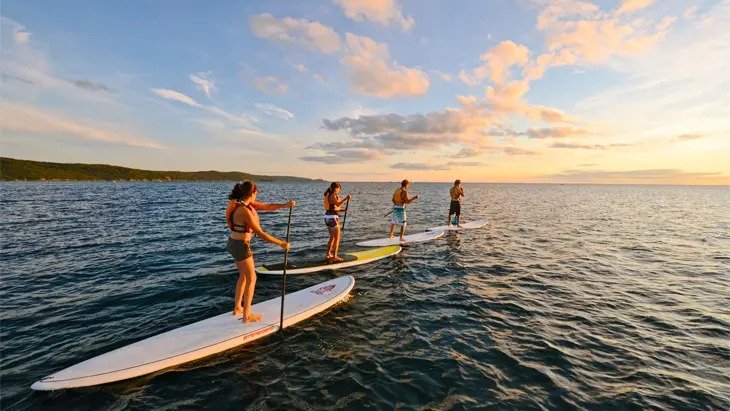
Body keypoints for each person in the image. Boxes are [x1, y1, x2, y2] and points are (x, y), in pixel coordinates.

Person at [225, 181, 295, 323]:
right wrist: (281, 243)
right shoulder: (244, 210)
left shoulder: (242, 203)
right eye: (256, 193)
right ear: (252, 193)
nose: (257, 195)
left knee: (244, 276)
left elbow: (267, 206)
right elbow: (261, 233)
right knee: (252, 278)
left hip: (233, 243)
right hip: (240, 246)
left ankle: (237, 308)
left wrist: (285, 205)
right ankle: (246, 316)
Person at [323, 182, 352, 263]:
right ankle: (335, 256)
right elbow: (338, 204)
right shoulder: (332, 195)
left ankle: (328, 254)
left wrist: (343, 210)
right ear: (335, 188)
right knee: (337, 238)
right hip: (333, 217)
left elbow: (333, 208)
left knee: (332, 237)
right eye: (338, 189)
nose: (339, 190)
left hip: (327, 217)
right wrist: (346, 199)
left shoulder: (328, 194)